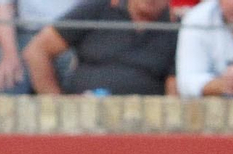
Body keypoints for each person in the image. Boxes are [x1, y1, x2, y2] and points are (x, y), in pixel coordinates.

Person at [23, 0, 177, 95]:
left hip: (143, 127)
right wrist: (54, 104)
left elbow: (174, 88)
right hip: (81, 117)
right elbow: (37, 50)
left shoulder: (176, 28)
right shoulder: (99, 8)